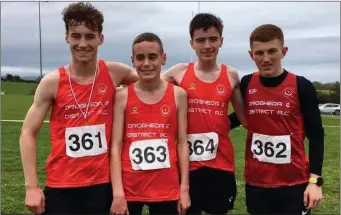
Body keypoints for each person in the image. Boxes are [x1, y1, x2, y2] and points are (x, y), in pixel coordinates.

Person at [19, 2, 139, 215]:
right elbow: (28, 132)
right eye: (76, 36)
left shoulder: (116, 73)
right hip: (62, 185)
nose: (83, 43)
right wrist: (32, 187)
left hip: (103, 185)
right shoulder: (52, 82)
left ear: (101, 39)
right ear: (67, 37)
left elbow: (152, 87)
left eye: (90, 36)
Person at [228, 24, 324, 215]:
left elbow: (316, 136)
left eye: (272, 51)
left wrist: (315, 182)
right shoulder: (247, 83)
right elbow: (238, 118)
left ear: (283, 51)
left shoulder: (301, 86)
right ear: (251, 55)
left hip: (294, 183)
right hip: (256, 183)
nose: (266, 59)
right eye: (259, 53)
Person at [162, 13, 247, 214]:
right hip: (186, 165)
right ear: (192, 43)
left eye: (213, 39)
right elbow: (146, 88)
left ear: (221, 41)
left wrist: (225, 123)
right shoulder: (178, 72)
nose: (207, 46)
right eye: (200, 40)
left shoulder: (231, 75)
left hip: (221, 164)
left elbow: (245, 118)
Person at [110, 32, 191, 215]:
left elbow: (182, 143)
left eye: (152, 57)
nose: (146, 63)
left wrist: (184, 189)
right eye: (140, 58)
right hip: (129, 188)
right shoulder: (122, 97)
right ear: (133, 60)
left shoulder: (179, 95)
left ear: (163, 58)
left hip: (166, 187)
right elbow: (115, 146)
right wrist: (117, 193)